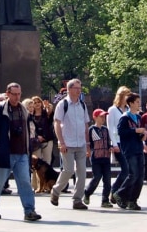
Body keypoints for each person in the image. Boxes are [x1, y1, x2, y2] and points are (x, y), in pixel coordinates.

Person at [0, 82, 41, 222]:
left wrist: (29, 148)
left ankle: (29, 211)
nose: (17, 97)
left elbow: (28, 131)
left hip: (21, 153)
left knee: (25, 183)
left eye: (19, 94)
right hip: (5, 153)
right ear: (7, 94)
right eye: (14, 94)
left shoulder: (24, 110)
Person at [50, 78, 90, 210]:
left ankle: (77, 200)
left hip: (81, 143)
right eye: (76, 88)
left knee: (82, 173)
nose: (79, 91)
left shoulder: (82, 105)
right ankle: (56, 191)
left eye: (80, 88)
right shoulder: (63, 104)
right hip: (67, 143)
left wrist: (88, 143)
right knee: (68, 170)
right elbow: (57, 123)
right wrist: (61, 142)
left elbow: (86, 124)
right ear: (69, 89)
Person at [114, 92, 147, 210]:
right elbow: (121, 132)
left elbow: (138, 133)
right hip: (129, 149)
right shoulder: (124, 118)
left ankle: (132, 200)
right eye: (137, 102)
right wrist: (135, 131)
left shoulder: (138, 117)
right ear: (131, 103)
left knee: (140, 176)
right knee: (133, 174)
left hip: (138, 148)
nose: (139, 104)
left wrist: (143, 137)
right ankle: (120, 193)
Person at [83, 108, 114, 208]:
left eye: (104, 116)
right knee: (97, 177)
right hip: (96, 157)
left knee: (107, 179)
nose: (103, 118)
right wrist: (88, 151)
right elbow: (88, 143)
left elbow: (108, 142)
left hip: (106, 157)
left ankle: (105, 200)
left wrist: (110, 148)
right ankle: (87, 193)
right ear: (95, 117)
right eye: (101, 116)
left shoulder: (105, 129)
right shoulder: (91, 129)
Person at [107, 86, 132, 204]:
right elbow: (110, 128)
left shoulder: (128, 110)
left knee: (130, 170)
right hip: (118, 142)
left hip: (129, 143)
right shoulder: (112, 110)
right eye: (127, 95)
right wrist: (114, 144)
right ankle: (115, 190)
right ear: (121, 96)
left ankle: (121, 193)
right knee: (126, 169)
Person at [28, 95, 54, 191]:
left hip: (47, 140)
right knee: (35, 164)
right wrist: (37, 136)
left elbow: (50, 115)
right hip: (36, 141)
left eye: (38, 102)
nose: (37, 104)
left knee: (47, 163)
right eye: (34, 103)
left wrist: (48, 107)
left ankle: (47, 186)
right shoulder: (30, 115)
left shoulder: (45, 113)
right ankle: (35, 185)